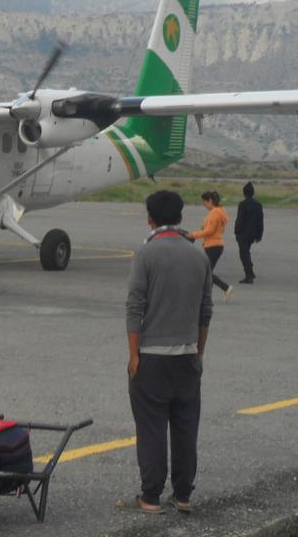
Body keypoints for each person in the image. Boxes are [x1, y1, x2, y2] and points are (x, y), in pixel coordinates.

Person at [117, 190, 212, 515]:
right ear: (181, 218)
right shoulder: (198, 256)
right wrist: (198, 352)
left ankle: (151, 496)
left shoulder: (146, 255)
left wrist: (133, 355)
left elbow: (135, 307)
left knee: (152, 428)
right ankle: (183, 494)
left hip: (152, 357)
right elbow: (205, 311)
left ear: (150, 218)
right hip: (187, 357)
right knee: (186, 428)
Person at [190, 191, 232, 301]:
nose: (204, 206)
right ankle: (207, 295)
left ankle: (226, 287)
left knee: (206, 272)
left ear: (210, 201)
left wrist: (193, 235)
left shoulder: (215, 213)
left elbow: (209, 231)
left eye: (205, 203)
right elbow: (207, 228)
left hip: (213, 246)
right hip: (216, 245)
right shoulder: (219, 211)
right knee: (208, 271)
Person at [233, 182, 264, 284]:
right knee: (246, 253)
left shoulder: (242, 204)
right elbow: (260, 221)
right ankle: (249, 273)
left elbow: (240, 220)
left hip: (243, 234)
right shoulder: (258, 205)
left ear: (244, 193)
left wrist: (236, 231)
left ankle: (249, 273)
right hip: (253, 234)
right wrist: (259, 235)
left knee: (244, 254)